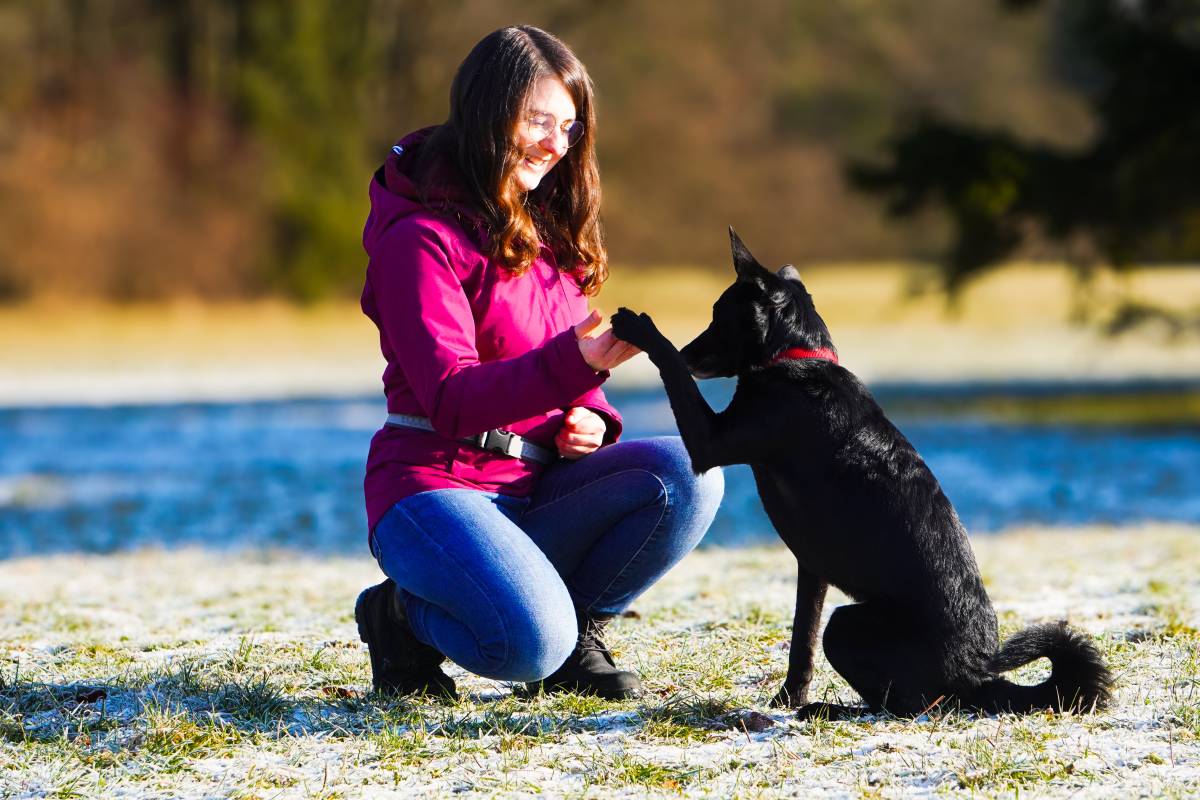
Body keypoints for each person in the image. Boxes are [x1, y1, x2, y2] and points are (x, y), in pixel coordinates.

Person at [355, 25, 724, 701]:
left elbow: (568, 376)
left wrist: (593, 417)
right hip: (433, 488)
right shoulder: (421, 240)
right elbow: (452, 398)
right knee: (527, 646)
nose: (557, 144)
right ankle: (400, 618)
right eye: (538, 121)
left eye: (569, 126)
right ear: (489, 115)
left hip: (535, 488)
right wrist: (572, 368)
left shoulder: (551, 239)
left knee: (689, 474)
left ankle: (578, 631)